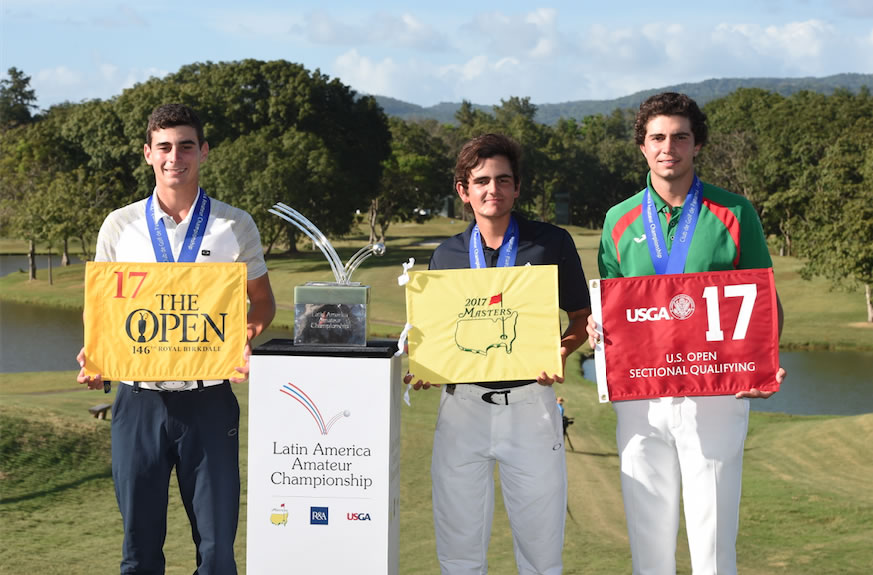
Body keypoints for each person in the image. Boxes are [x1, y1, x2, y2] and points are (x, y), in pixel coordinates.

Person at [586, 92, 786, 575]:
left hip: (715, 390)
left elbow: (765, 301)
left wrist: (762, 365)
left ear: (697, 145)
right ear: (642, 146)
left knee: (713, 544)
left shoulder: (734, 211)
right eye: (657, 137)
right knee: (648, 545)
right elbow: (613, 306)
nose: (668, 147)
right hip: (641, 396)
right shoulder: (618, 219)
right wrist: (596, 325)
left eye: (680, 137)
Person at [76, 103, 276, 574]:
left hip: (209, 402)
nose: (174, 157)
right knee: (139, 552)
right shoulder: (119, 225)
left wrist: (245, 336)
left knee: (217, 553)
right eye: (164, 146)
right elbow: (101, 309)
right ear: (148, 153)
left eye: (186, 146)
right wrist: (95, 353)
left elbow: (263, 302)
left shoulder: (234, 225)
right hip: (138, 403)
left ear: (203, 152)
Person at [405, 133, 591, 575]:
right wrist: (426, 366)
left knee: (541, 556)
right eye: (482, 181)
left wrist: (561, 351)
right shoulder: (446, 255)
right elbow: (435, 337)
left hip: (531, 407)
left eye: (504, 180)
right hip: (462, 409)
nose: (494, 189)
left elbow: (581, 319)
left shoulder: (551, 243)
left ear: (517, 187)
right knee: (459, 554)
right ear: (463, 190)